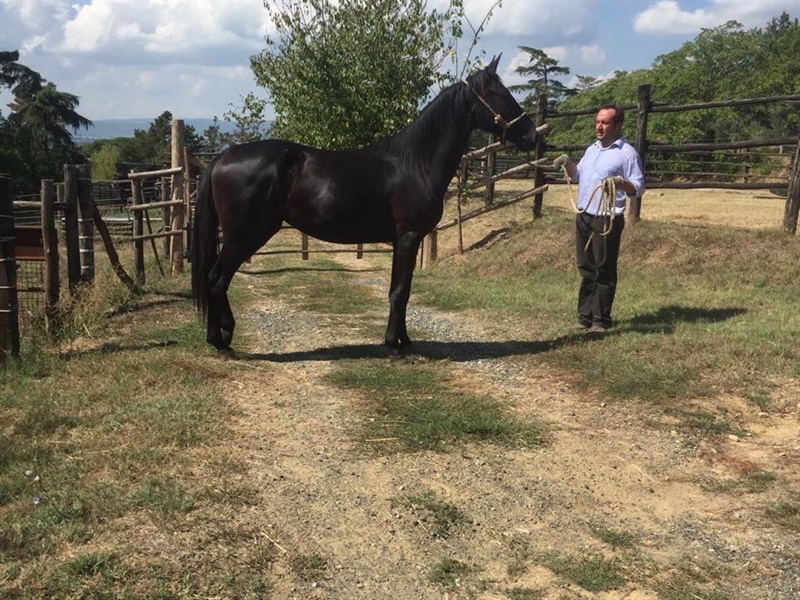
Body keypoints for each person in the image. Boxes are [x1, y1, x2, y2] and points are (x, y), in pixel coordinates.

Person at [554, 105, 645, 333]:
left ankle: (601, 320)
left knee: (603, 268)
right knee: (586, 267)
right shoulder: (591, 150)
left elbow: (639, 188)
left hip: (607, 218)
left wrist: (621, 183)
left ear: (617, 125)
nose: (599, 126)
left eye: (604, 122)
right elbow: (577, 175)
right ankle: (584, 317)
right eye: (597, 122)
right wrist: (567, 162)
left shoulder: (627, 154)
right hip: (584, 215)